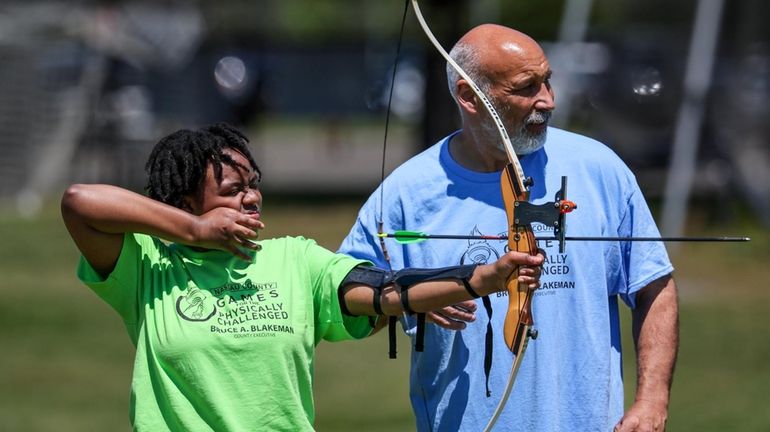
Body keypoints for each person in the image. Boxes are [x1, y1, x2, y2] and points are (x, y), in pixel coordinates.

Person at [60, 122, 544, 431]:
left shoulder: (294, 259)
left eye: (254, 186)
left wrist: (481, 278)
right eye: (232, 191)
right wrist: (193, 231)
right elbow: (81, 202)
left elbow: (376, 291)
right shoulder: (150, 268)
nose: (250, 198)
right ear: (186, 203)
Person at [339, 24, 679, 432]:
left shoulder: (599, 168)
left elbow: (653, 285)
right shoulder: (406, 192)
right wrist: (414, 295)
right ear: (469, 96)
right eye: (526, 87)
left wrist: (652, 401)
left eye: (548, 81)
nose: (548, 100)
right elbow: (348, 294)